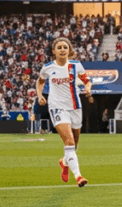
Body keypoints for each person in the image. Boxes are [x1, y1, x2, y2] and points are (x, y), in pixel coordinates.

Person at [36, 37, 93, 188]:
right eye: (59, 47)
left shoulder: (76, 65)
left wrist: (87, 88)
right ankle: (78, 176)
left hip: (75, 107)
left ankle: (64, 162)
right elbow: (40, 81)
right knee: (69, 142)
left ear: (69, 50)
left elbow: (87, 80)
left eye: (65, 47)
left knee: (74, 145)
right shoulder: (48, 67)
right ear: (54, 51)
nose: (62, 49)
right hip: (57, 107)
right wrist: (40, 95)